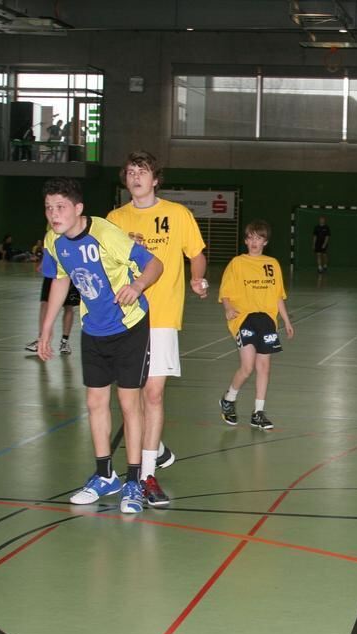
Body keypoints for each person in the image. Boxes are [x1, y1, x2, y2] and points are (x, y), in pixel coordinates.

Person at [37, 177, 164, 514]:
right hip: (92, 329)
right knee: (95, 402)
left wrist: (137, 286)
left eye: (60, 207)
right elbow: (61, 281)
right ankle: (104, 474)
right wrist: (46, 329)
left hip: (129, 327)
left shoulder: (105, 233)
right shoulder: (54, 241)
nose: (53, 214)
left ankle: (134, 480)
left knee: (128, 402)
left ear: (78, 208)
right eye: (49, 208)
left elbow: (155, 263)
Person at [107, 151, 208, 508]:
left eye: (143, 171)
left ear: (155, 179)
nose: (136, 177)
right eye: (131, 172)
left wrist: (197, 279)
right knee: (130, 397)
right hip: (126, 319)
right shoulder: (115, 219)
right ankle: (156, 448)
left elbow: (196, 253)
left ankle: (146, 474)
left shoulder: (177, 215)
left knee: (153, 395)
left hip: (162, 317)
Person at [218, 220, 294, 430]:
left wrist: (286, 321)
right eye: (251, 237)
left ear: (265, 242)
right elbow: (225, 292)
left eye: (259, 238)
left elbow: (278, 296)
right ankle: (229, 399)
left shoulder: (272, 264)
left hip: (267, 321)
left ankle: (258, 413)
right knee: (248, 366)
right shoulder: (237, 263)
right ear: (245, 240)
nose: (254, 242)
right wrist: (227, 308)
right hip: (244, 318)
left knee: (264, 367)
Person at [24, 266, 80, 356]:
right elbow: (47, 251)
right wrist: (44, 261)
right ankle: (41, 340)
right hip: (53, 269)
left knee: (69, 306)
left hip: (70, 269)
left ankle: (64, 341)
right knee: (45, 303)